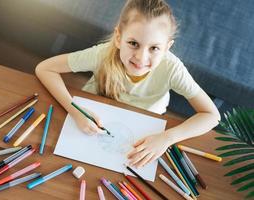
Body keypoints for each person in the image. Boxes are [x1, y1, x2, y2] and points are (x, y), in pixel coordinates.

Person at [35, 0, 220, 168]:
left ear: (167, 48)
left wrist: (167, 138)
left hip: (144, 125)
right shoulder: (102, 54)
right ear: (118, 37)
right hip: (93, 119)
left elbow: (212, 116)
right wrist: (75, 110)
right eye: (133, 43)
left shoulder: (172, 68)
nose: (141, 58)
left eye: (154, 48)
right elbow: (45, 69)